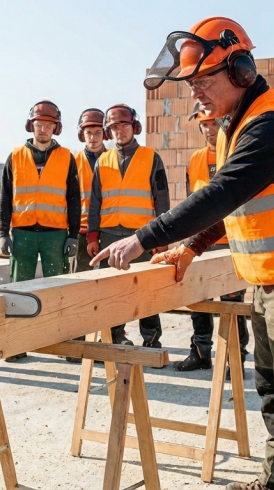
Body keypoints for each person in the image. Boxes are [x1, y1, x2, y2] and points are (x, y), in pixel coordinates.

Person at [93, 16, 274, 490]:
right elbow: (239, 204)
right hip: (270, 278)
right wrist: (191, 247)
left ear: (241, 70)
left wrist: (143, 238)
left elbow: (221, 194)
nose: (196, 94)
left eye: (204, 81)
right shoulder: (239, 124)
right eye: (191, 84)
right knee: (272, 389)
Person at [0, 100, 81, 361]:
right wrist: (2, 233)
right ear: (30, 125)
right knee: (18, 289)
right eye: (39, 124)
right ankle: (17, 343)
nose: (43, 129)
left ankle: (60, 340)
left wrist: (73, 235)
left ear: (55, 128)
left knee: (57, 288)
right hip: (22, 233)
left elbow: (74, 200)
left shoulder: (66, 157)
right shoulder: (15, 156)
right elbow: (5, 198)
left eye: (48, 124)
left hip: (55, 234)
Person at [86, 104, 169, 350]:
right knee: (111, 291)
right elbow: (95, 202)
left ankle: (151, 340)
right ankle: (113, 337)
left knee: (146, 290)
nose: (118, 131)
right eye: (113, 127)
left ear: (134, 127)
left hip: (142, 237)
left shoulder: (151, 157)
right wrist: (93, 235)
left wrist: (162, 236)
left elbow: (162, 199)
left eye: (123, 125)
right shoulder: (103, 160)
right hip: (110, 234)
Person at [175, 103, 251, 374]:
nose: (209, 129)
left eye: (213, 122)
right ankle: (200, 353)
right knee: (198, 301)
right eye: (204, 124)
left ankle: (236, 359)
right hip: (199, 245)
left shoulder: (235, 154)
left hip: (231, 242)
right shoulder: (195, 160)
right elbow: (191, 203)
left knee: (232, 305)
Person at [71, 108, 132, 348]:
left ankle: (115, 335)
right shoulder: (72, 161)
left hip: (106, 232)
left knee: (111, 288)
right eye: (89, 132)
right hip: (80, 232)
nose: (93, 137)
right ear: (81, 134)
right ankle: (80, 338)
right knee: (82, 286)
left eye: (98, 132)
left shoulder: (115, 158)